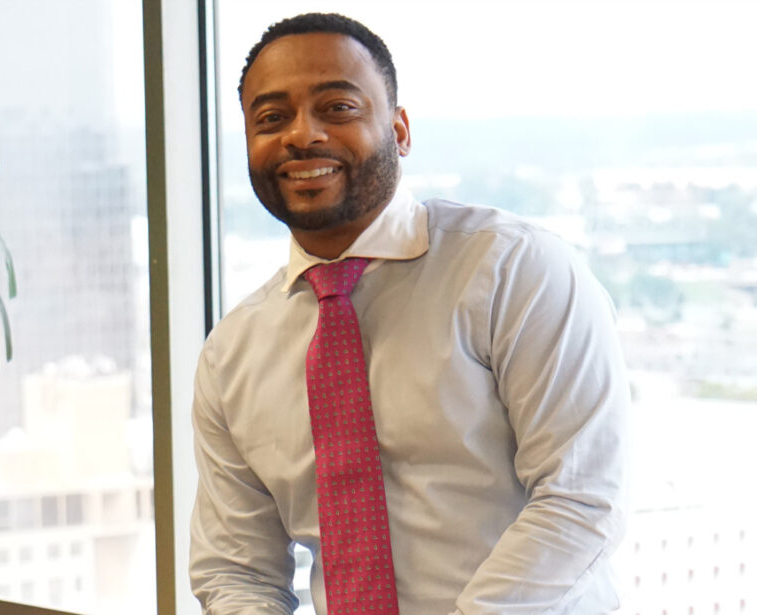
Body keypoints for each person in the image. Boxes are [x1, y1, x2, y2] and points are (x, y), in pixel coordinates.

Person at [190, 12, 630, 615]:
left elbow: (580, 498)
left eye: (337, 108)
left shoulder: (516, 272)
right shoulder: (232, 354)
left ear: (399, 130)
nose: (302, 135)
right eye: (271, 119)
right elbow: (236, 570)